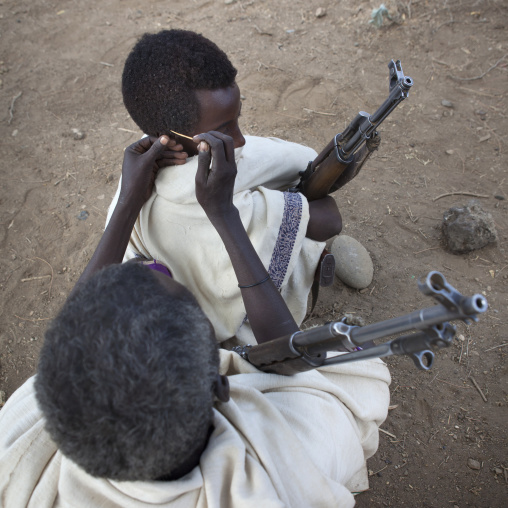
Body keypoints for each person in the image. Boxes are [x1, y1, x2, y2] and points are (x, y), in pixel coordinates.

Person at [0, 134, 390, 508]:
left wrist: (126, 205)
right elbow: (313, 373)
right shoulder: (301, 458)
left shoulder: (17, 457)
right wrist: (224, 214)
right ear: (222, 386)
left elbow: (74, 336)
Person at [108, 29, 373, 346]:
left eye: (237, 119)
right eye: (223, 130)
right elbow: (328, 219)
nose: (241, 139)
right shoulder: (218, 202)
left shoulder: (135, 171)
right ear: (174, 134)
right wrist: (288, 202)